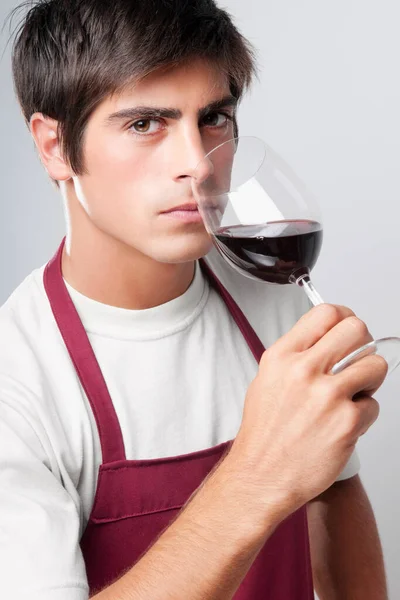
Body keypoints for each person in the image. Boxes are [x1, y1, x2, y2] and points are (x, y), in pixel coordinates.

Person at [1, 0, 388, 598]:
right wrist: (259, 477)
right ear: (54, 147)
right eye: (143, 124)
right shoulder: (17, 381)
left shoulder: (272, 292)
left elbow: (334, 494)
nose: (196, 164)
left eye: (214, 119)